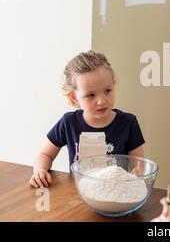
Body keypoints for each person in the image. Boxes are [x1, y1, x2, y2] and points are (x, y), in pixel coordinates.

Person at [29, 50, 145, 188]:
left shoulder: (128, 123)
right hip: (80, 196)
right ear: (74, 97)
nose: (101, 101)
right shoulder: (69, 123)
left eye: (107, 91)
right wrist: (40, 171)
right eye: (91, 95)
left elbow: (138, 164)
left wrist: (137, 173)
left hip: (117, 196)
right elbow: (45, 155)